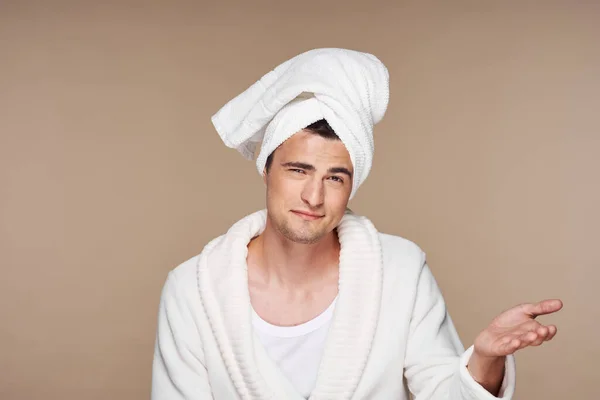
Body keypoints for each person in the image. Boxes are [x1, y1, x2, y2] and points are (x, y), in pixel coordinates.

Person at [151, 48, 562, 400]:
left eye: (335, 178)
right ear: (266, 170)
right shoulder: (192, 291)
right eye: (298, 170)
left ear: (352, 186)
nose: (314, 196)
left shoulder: (400, 271)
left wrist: (485, 362)